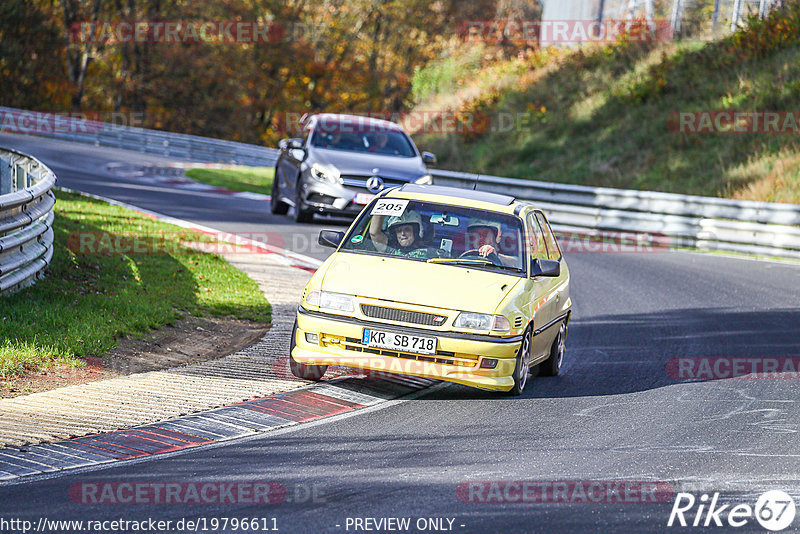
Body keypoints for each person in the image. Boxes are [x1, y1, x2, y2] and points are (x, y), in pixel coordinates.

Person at [368, 211, 444, 259]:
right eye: (398, 231)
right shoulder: (389, 249)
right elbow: (374, 233)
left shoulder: (431, 252)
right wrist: (384, 207)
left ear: (416, 232)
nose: (403, 234)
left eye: (407, 229)